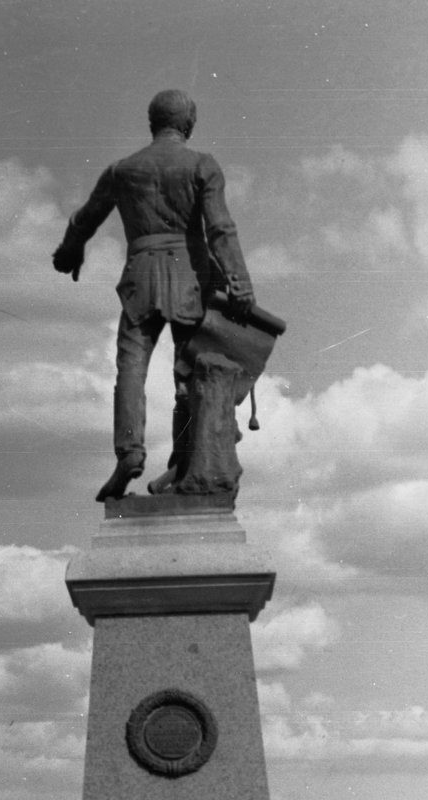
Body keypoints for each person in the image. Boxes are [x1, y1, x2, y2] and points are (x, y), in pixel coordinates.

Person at [51, 89, 254, 501]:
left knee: (131, 367)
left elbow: (86, 217)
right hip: (190, 279)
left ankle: (129, 451)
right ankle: (183, 461)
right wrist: (239, 280)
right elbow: (220, 228)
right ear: (189, 123)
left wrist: (70, 249)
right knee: (190, 372)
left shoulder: (122, 170)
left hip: (139, 277)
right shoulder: (202, 165)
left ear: (152, 123)